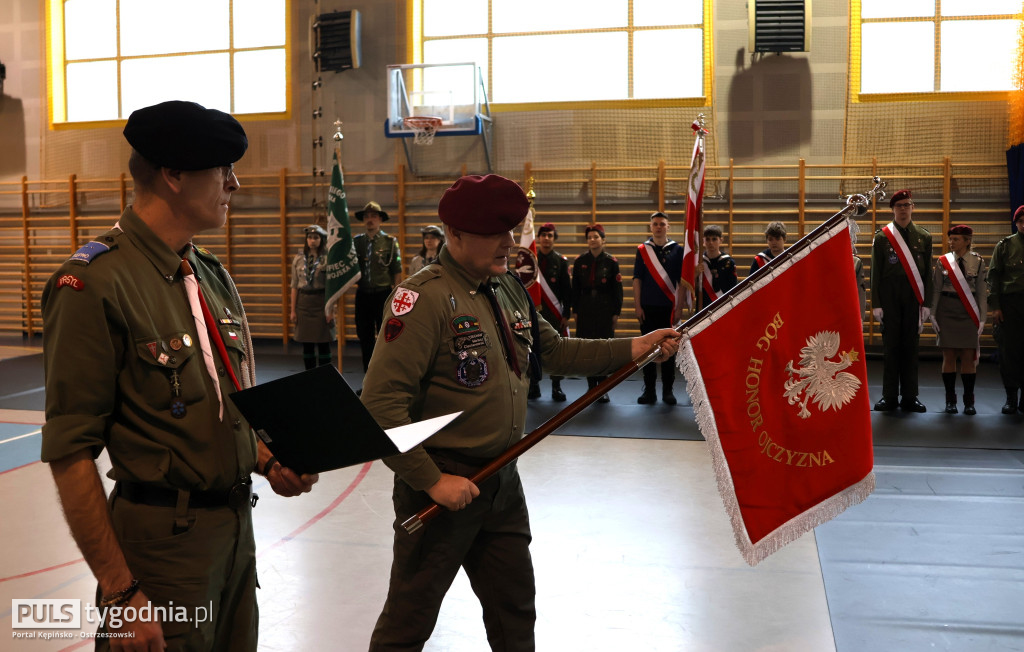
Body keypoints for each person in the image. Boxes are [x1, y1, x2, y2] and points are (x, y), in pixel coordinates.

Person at [359, 174, 682, 651]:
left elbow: (554, 353)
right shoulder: (423, 300)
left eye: (512, 230)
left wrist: (637, 346)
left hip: (501, 483)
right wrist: (431, 481)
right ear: (456, 235)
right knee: (409, 621)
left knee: (515, 614)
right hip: (444, 490)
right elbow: (380, 407)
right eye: (496, 232)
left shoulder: (506, 285)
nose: (511, 242)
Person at [39, 100, 318, 650]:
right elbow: (70, 451)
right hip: (160, 552)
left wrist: (266, 460)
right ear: (173, 176)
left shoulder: (209, 274)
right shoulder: (94, 284)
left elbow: (222, 405)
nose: (234, 184)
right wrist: (120, 591)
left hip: (235, 536)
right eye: (223, 170)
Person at [870, 189, 933, 412]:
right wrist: (876, 303)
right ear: (893, 210)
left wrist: (926, 304)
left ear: (912, 207)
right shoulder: (882, 237)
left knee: (911, 348)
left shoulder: (924, 237)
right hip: (889, 297)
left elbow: (927, 276)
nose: (903, 209)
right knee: (891, 348)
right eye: (899, 206)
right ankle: (889, 396)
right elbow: (876, 272)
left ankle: (910, 396)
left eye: (907, 205)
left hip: (913, 297)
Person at [928, 225, 987, 415]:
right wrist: (933, 314)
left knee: (968, 357)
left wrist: (983, 318)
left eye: (956, 239)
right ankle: (950, 400)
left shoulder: (978, 262)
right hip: (947, 310)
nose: (951, 242)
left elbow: (981, 294)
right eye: (950, 239)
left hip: (968, 312)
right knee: (949, 356)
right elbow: (936, 289)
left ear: (967, 241)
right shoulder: (943, 261)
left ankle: (969, 401)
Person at [632, 211, 684, 405]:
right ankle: (650, 390)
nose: (659, 227)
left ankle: (668, 391)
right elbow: (637, 279)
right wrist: (637, 306)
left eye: (662, 224)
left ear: (668, 227)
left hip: (668, 309)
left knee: (669, 350)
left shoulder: (677, 250)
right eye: (655, 224)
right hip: (647, 308)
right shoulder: (643, 250)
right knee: (647, 351)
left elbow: (681, 282)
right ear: (650, 227)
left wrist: (679, 307)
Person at [573, 223, 624, 402]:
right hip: (586, 308)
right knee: (587, 348)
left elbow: (617, 290)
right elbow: (575, 289)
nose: (593, 240)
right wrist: (575, 311)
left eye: (596, 237)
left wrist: (616, 312)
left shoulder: (611, 262)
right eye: (589, 237)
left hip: (604, 309)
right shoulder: (580, 261)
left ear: (603, 240)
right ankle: (590, 387)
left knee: (603, 349)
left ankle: (602, 388)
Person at [354, 200, 402, 371]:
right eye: (366, 216)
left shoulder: (390, 242)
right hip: (363, 294)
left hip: (383, 295)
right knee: (364, 337)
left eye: (374, 216)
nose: (370, 220)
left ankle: (384, 375)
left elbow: (397, 271)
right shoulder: (357, 243)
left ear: (380, 219)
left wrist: (395, 296)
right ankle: (368, 378)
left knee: (386, 337)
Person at [528, 222, 573, 401]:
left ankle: (557, 386)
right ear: (538, 238)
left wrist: (566, 314)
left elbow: (566, 291)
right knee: (531, 348)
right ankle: (534, 385)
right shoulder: (530, 261)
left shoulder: (561, 262)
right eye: (543, 235)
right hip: (532, 311)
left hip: (553, 314)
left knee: (555, 349)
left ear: (554, 239)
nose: (546, 238)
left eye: (550, 235)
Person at [988, 205, 1024, 414]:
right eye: (1021, 221)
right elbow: (994, 277)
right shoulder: (1005, 246)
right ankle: (1011, 397)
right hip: (1011, 304)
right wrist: (996, 307)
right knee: (1009, 353)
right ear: (1016, 223)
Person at [291, 224, 334, 369]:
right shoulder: (298, 258)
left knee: (323, 343)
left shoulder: (328, 258)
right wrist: (293, 310)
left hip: (321, 301)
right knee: (307, 344)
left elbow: (331, 286)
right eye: (309, 237)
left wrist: (331, 310)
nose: (312, 241)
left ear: (322, 239)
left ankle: (325, 376)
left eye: (316, 237)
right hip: (304, 303)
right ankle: (309, 375)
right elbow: (294, 286)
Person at [695, 224, 737, 309]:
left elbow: (733, 288)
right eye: (707, 239)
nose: (711, 243)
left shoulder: (728, 262)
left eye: (714, 239)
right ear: (703, 241)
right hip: (703, 308)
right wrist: (695, 273)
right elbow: (692, 290)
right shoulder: (699, 262)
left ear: (721, 240)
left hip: (723, 308)